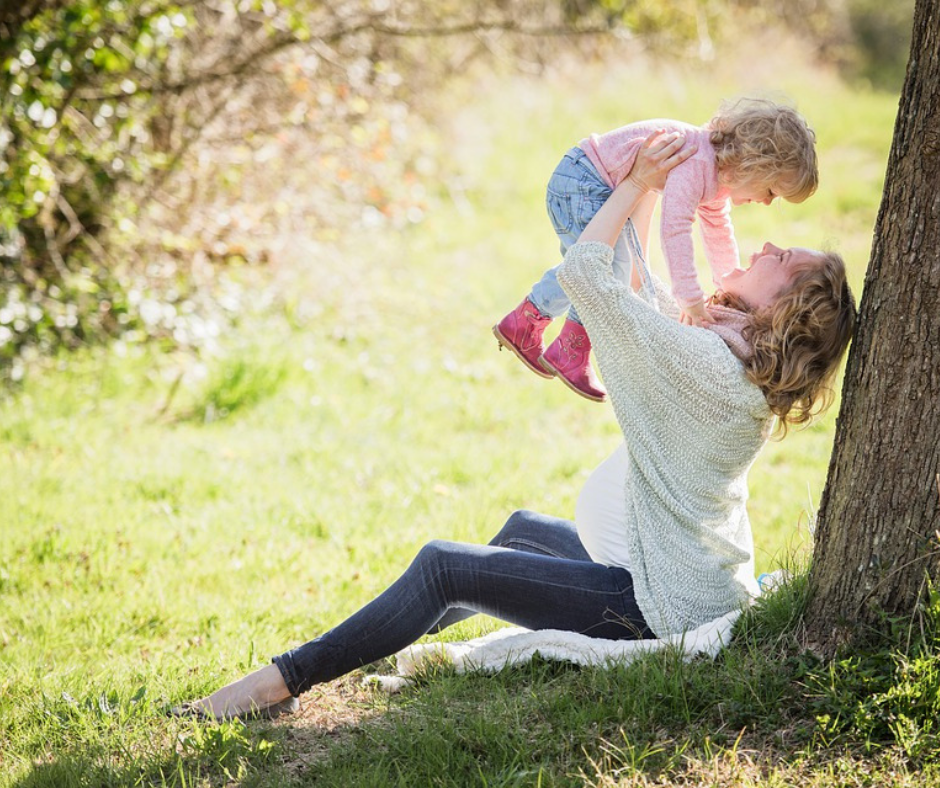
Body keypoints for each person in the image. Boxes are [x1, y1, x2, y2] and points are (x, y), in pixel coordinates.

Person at [172, 132, 855, 721]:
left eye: (786, 260)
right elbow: (645, 294)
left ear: (785, 311)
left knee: (445, 566)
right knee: (520, 531)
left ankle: (278, 683)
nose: (768, 243)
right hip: (672, 574)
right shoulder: (733, 361)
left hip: (654, 604)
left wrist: (639, 184)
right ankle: (361, 648)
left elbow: (589, 273)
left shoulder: (706, 365)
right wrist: (651, 192)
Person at [493, 98, 818, 402]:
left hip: (590, 182)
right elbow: (674, 229)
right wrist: (689, 297)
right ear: (754, 164)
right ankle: (569, 347)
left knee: (600, 265)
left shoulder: (717, 177)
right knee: (602, 267)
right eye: (771, 191)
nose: (765, 202)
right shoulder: (698, 163)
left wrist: (726, 284)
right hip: (583, 181)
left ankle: (526, 322)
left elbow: (718, 232)